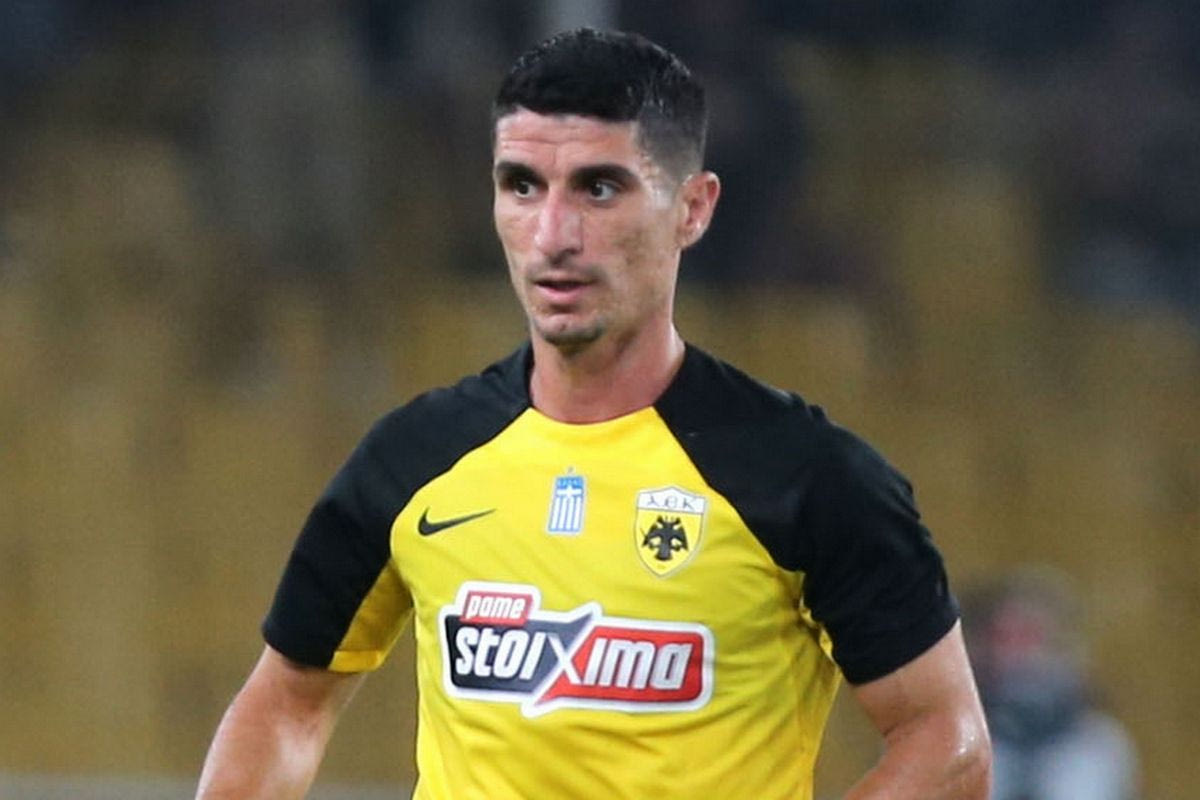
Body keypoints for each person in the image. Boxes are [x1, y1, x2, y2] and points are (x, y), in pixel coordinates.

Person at [196, 28, 991, 800]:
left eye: (598, 189)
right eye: (522, 186)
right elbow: (288, 703)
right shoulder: (412, 461)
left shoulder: (807, 478)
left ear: (693, 208)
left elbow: (947, 745)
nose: (553, 236)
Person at [963, 566, 1139, 800]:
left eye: (1026, 637)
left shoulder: (1098, 745)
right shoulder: (959, 740)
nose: (1011, 655)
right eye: (1000, 637)